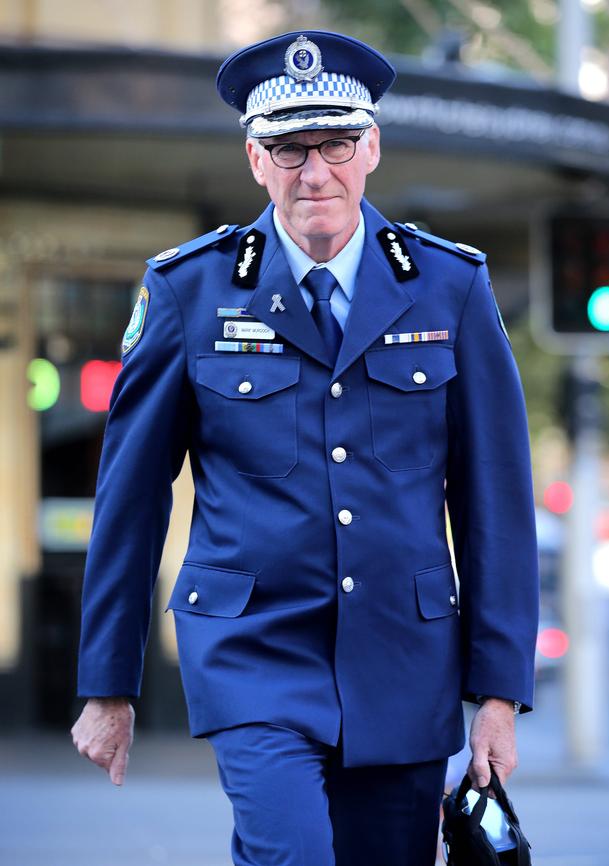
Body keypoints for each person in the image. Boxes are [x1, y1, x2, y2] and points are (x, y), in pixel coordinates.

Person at [71, 29, 539, 866]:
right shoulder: (189, 289)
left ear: (373, 149)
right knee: (290, 852)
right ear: (255, 159)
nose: (313, 171)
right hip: (253, 653)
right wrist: (108, 684)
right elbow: (131, 498)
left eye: (336, 143)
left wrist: (499, 694)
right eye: (288, 148)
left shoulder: (451, 285)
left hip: (405, 658)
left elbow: (495, 504)